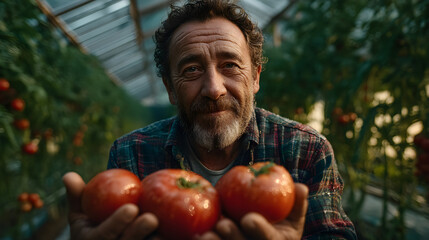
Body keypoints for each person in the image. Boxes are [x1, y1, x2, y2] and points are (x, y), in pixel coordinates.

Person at [63, 0, 357, 239]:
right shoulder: (131, 154)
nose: (214, 89)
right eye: (191, 69)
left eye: (230, 65)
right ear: (170, 88)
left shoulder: (304, 151)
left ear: (254, 77)